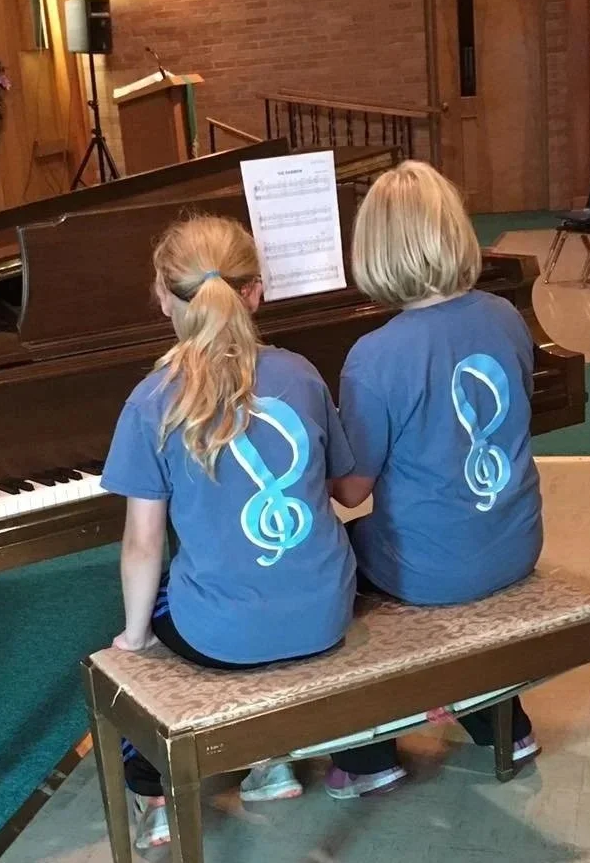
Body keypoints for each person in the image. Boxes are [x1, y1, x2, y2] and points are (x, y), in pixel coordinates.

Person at [100, 215, 404, 851]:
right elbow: (332, 486)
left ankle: (152, 795)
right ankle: (272, 762)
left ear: (163, 298)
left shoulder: (152, 399)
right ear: (256, 293)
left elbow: (143, 545)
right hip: (328, 617)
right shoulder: (300, 373)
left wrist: (132, 641)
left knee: (147, 630)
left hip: (222, 638)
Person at [331, 160, 542, 772]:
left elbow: (351, 491)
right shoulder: (505, 316)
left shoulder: (375, 356)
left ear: (376, 250)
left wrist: (313, 449)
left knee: (331, 562)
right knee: (441, 529)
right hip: (516, 539)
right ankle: (505, 721)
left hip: (430, 570)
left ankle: (368, 753)